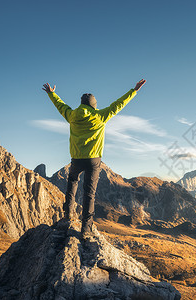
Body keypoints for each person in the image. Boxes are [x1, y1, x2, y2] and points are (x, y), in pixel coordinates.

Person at [42, 79, 146, 237]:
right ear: (94, 105)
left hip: (76, 159)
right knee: (89, 194)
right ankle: (86, 228)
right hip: (94, 160)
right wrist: (134, 90)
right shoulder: (100, 116)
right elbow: (118, 105)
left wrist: (52, 93)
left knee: (72, 184)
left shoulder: (72, 116)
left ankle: (68, 214)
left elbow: (60, 106)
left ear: (82, 104)